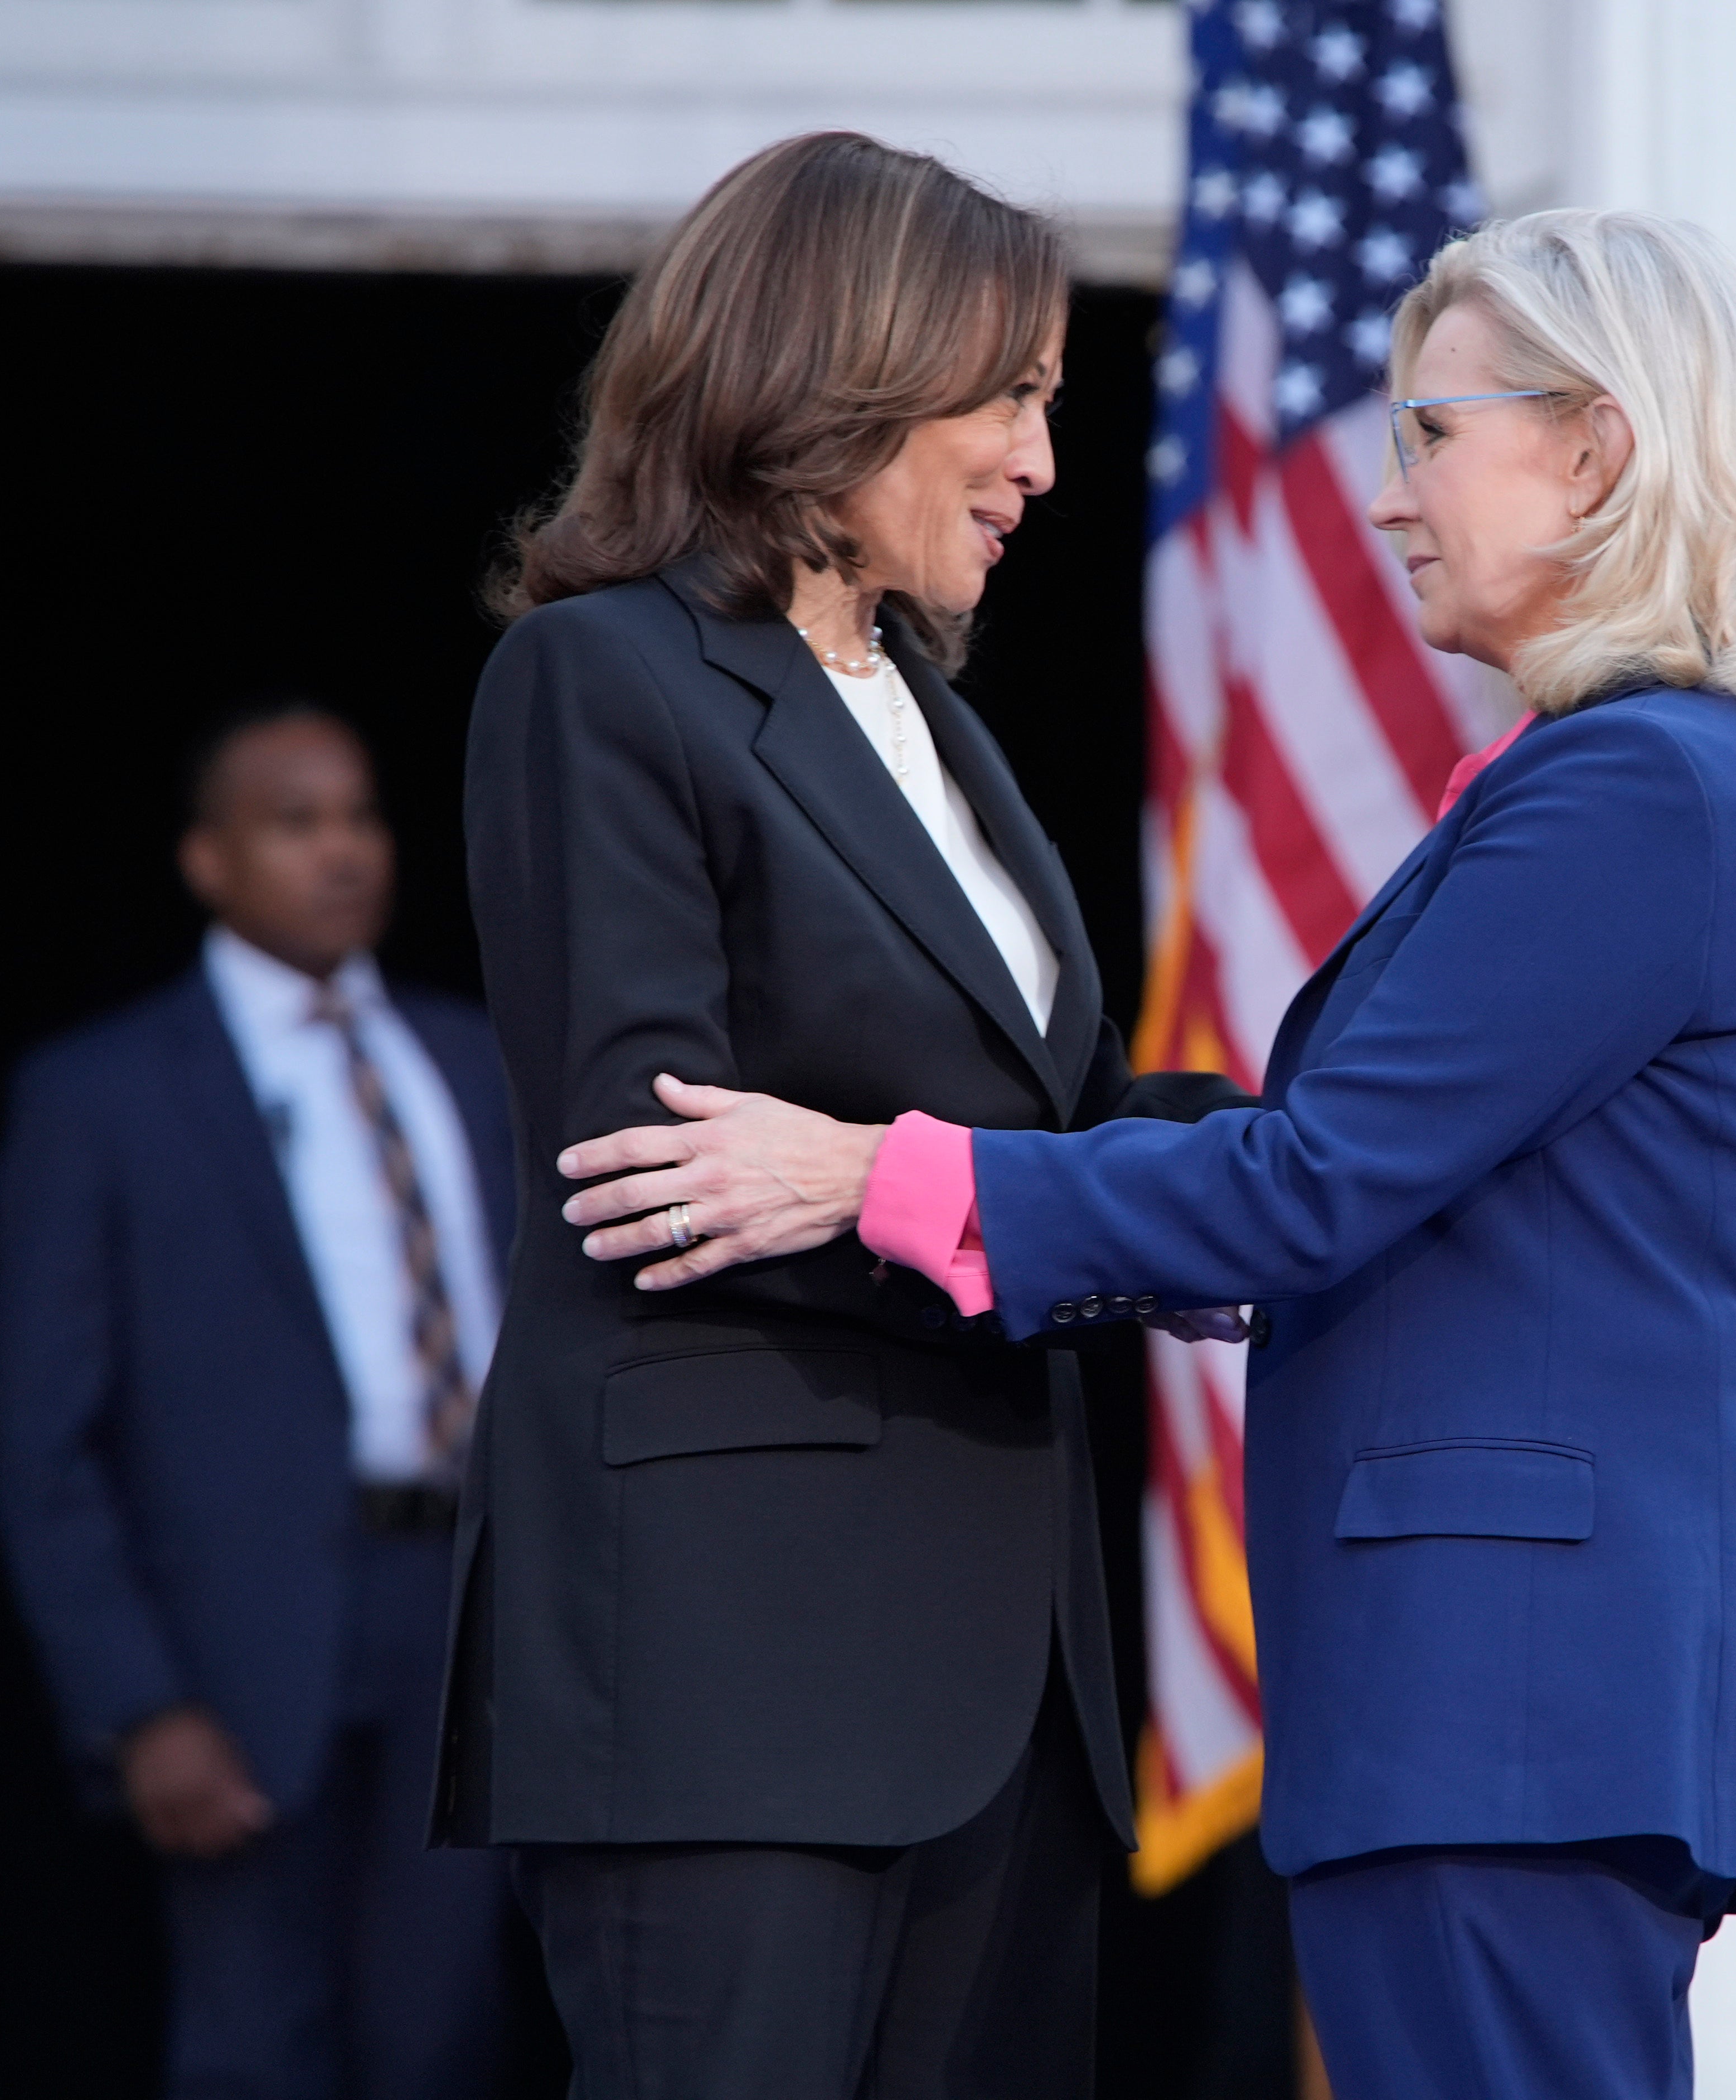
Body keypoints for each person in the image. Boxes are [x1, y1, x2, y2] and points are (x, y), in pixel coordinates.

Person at [557, 208, 1736, 2100]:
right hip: (1512, 1703)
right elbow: (1364, 1190)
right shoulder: (1629, 777)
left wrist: (872, 1177)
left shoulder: (1640, 780)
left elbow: (1311, 1182)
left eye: (1433, 431)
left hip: (1514, 1699)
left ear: (1595, 449)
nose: (1390, 493)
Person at [445, 131, 1241, 2100]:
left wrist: (1290, 1156)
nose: (1044, 460)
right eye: (1014, 395)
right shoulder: (602, 676)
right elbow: (667, 1166)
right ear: (845, 372)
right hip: (737, 1664)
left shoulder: (924, 706)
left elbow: (1005, 1116)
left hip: (1004, 1673)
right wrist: (1044, 1214)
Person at [0, 703, 515, 2100]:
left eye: (359, 818)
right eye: (296, 823)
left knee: (443, 2038)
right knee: (255, 2047)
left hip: (465, 1613)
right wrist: (138, 1703)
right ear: (209, 861)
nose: (341, 852)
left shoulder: (470, 1060)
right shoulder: (104, 1094)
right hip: (238, 1643)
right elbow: (46, 1436)